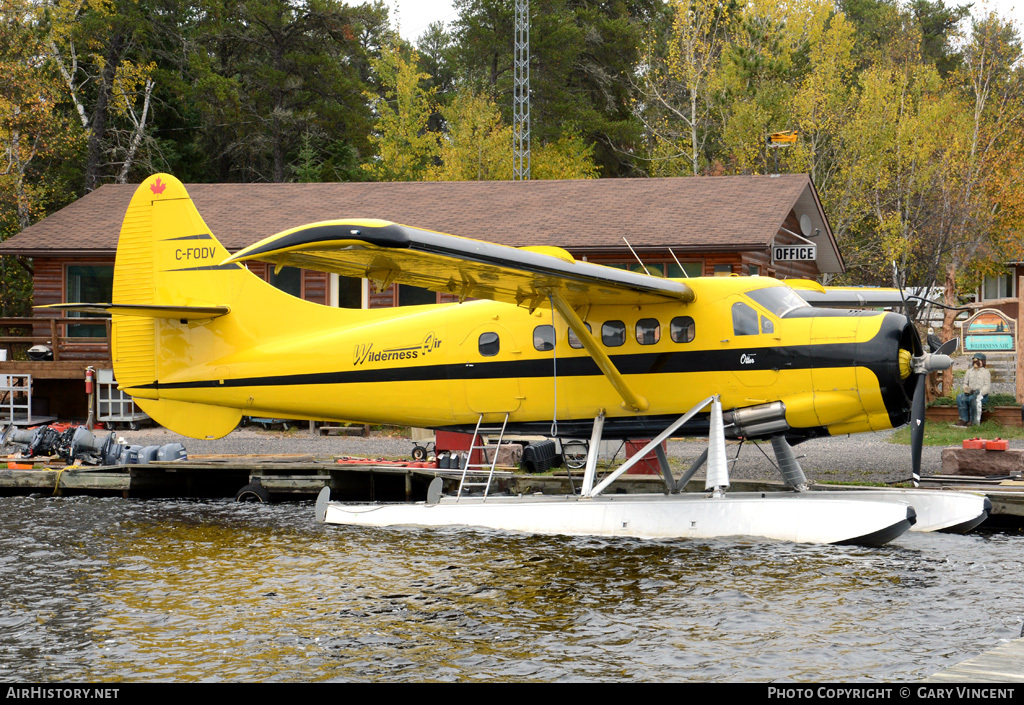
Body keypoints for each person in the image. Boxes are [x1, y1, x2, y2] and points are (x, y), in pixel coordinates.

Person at [956, 353, 992, 426]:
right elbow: (965, 383)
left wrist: (979, 393)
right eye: (974, 361)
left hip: (981, 396)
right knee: (960, 397)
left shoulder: (985, 372)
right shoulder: (969, 371)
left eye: (978, 361)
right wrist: (966, 389)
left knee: (974, 399)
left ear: (982, 362)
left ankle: (973, 421)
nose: (976, 362)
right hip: (970, 393)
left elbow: (987, 386)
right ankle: (963, 419)